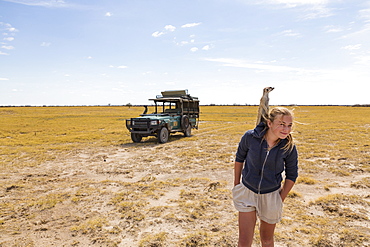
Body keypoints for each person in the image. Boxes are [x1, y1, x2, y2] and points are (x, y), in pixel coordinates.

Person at [233, 107, 298, 247]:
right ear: (269, 123)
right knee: (244, 241)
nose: (286, 129)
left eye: (289, 125)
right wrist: (236, 184)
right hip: (247, 192)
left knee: (267, 240)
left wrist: (280, 198)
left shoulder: (289, 147)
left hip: (271, 195)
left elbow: (292, 175)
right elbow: (239, 159)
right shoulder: (250, 137)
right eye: (281, 124)